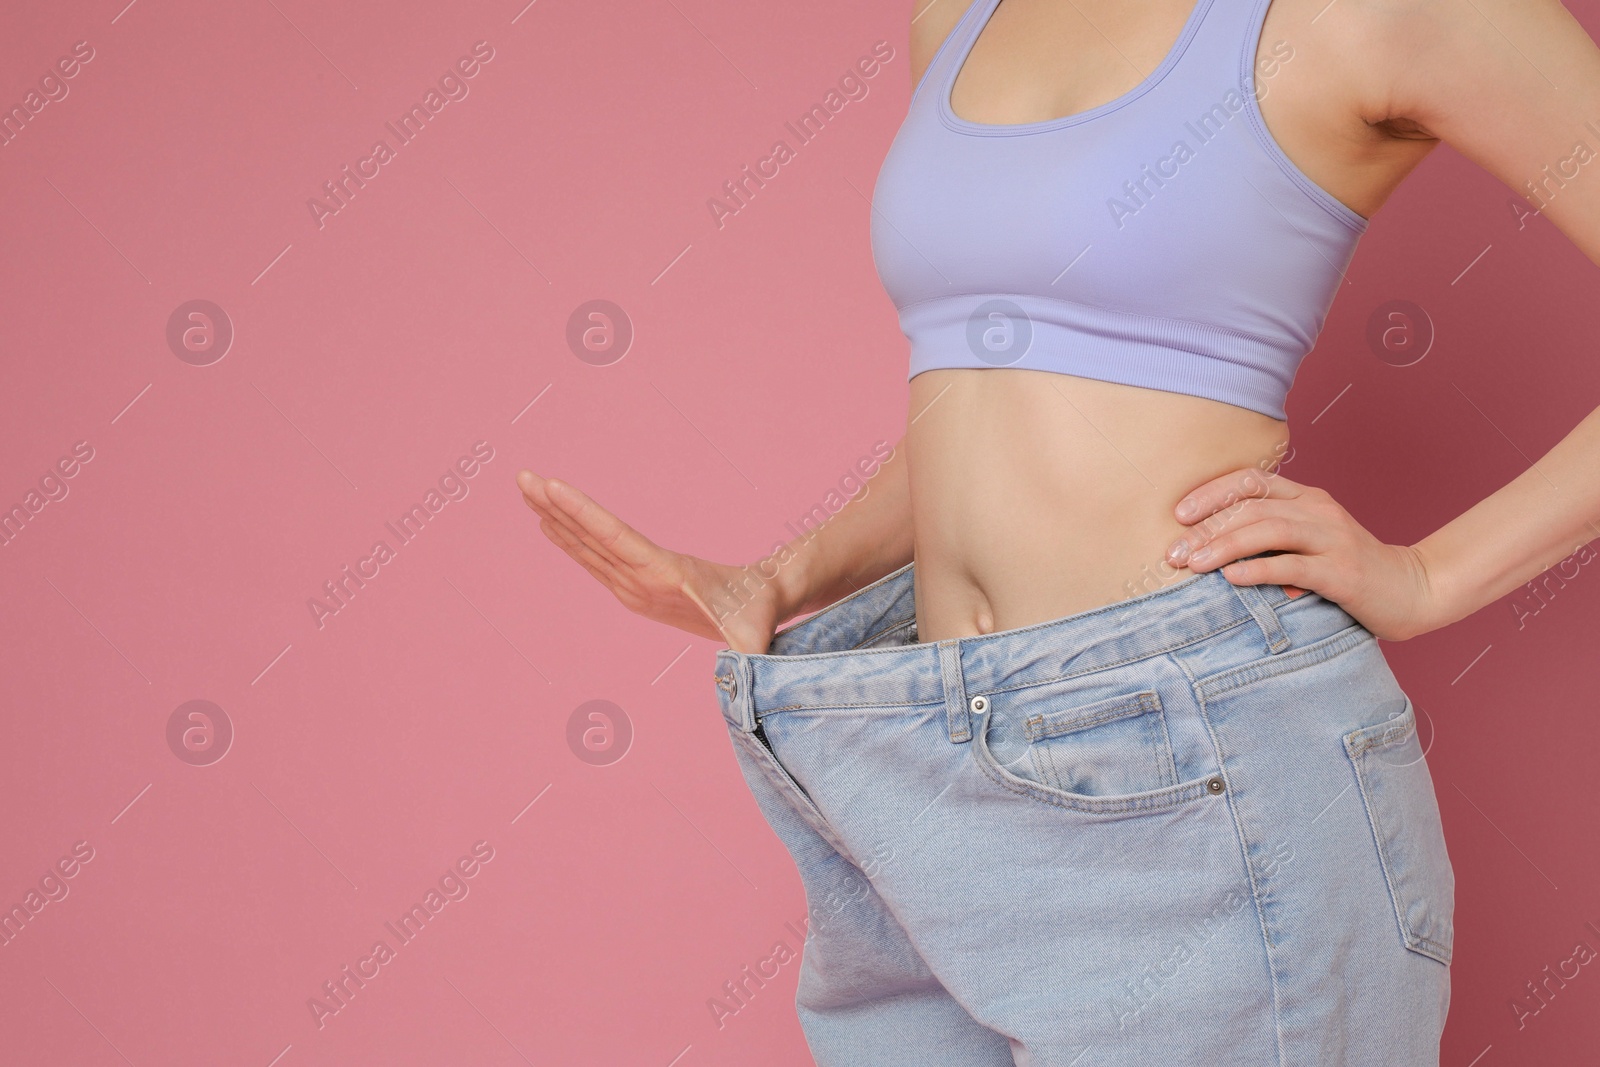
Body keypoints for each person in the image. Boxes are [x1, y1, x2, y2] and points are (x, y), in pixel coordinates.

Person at [518, 0, 1600, 1062]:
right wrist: (785, 575)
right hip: (912, 759)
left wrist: (1427, 575)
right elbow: (996, 394)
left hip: (1196, 753)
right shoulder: (955, 20)